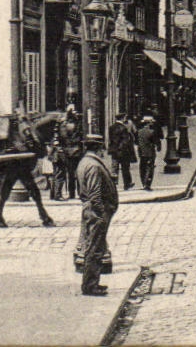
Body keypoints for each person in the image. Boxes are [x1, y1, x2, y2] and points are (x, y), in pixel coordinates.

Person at [0, 111, 56, 229]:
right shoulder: (21, 144)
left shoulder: (26, 139)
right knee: (30, 186)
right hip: (17, 163)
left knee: (14, 183)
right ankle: (43, 215)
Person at [74, 134, 118, 296]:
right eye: (102, 149)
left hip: (91, 211)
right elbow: (94, 194)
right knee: (94, 249)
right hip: (96, 212)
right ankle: (90, 285)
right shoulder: (93, 166)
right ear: (98, 149)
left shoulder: (85, 162)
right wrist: (100, 214)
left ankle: (93, 283)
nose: (103, 153)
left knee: (95, 247)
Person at [108, 113, 136, 191]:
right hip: (123, 151)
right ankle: (127, 184)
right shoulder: (123, 128)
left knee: (114, 168)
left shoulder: (111, 127)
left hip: (114, 150)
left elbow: (111, 139)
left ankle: (113, 184)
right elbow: (125, 141)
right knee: (125, 168)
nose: (125, 119)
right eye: (124, 118)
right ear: (122, 118)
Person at [135, 114, 160, 191]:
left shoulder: (138, 132)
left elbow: (136, 142)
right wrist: (158, 147)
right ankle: (147, 184)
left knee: (142, 167)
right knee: (150, 168)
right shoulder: (152, 132)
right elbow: (156, 142)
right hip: (150, 153)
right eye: (151, 122)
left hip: (141, 153)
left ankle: (143, 183)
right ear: (148, 123)